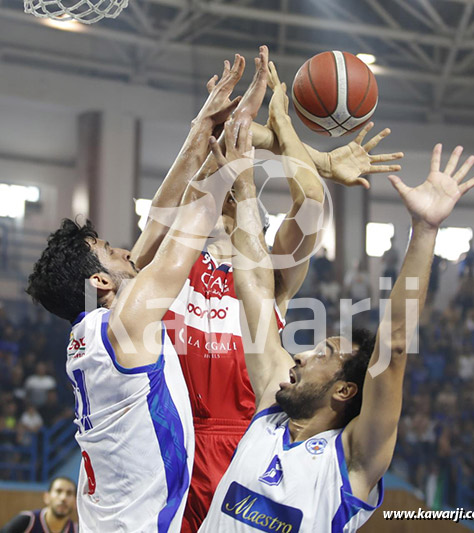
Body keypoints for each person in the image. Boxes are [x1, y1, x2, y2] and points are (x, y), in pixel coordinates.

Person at [136, 49, 403, 531]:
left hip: (243, 444)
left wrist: (296, 147)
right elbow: (188, 178)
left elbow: (310, 206)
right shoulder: (170, 264)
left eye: (234, 201)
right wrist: (312, 154)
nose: (221, 205)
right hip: (166, 439)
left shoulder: (267, 276)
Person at [201, 83, 474, 532]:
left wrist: (425, 231)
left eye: (323, 355)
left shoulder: (353, 461)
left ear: (345, 391)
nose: (299, 354)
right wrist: (242, 177)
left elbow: (391, 348)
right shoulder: (269, 413)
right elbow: (255, 283)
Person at [25, 53, 251, 532]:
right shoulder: (125, 323)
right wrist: (229, 159)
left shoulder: (97, 328)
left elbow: (158, 223)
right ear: (100, 282)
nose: (127, 250)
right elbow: (185, 231)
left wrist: (201, 127)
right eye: (110, 250)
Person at [0, 477, 77, 533]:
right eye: (58, 491)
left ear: (76, 502)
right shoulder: (27, 521)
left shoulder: (78, 530)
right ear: (46, 497)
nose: (63, 498)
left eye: (69, 493)